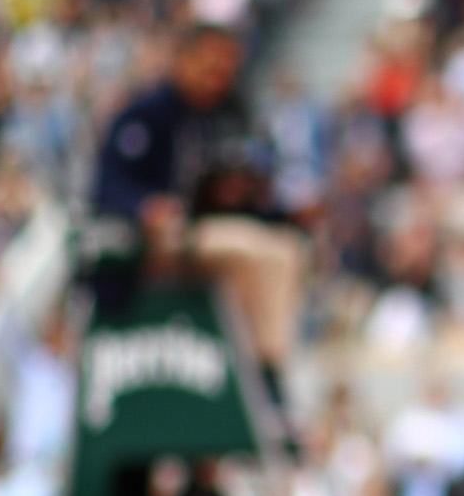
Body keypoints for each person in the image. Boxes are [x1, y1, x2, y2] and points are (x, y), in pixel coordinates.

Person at [90, 23, 307, 384]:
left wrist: (283, 212)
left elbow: (240, 193)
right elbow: (108, 186)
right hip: (153, 242)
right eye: (210, 65)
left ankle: (265, 361)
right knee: (251, 250)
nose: (218, 77)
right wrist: (144, 206)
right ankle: (265, 372)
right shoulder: (146, 114)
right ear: (183, 59)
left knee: (285, 248)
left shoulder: (227, 114)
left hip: (204, 231)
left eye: (225, 68)